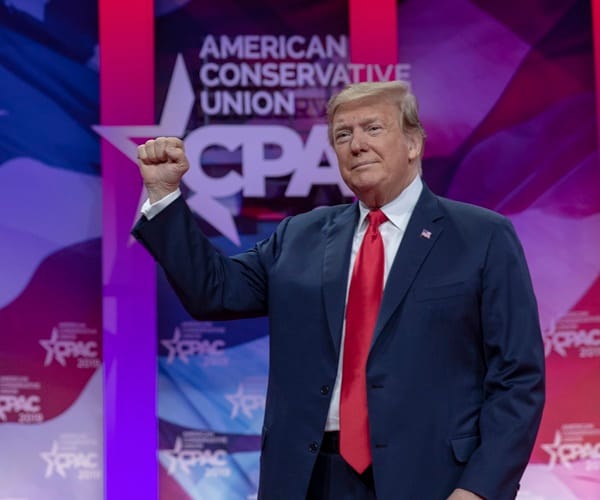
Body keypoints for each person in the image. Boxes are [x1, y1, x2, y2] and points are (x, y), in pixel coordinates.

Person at [133, 81, 545, 500]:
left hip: (431, 481)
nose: (357, 145)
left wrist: (479, 488)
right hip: (309, 479)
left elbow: (518, 377)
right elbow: (213, 290)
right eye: (343, 135)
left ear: (413, 143)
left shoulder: (481, 236)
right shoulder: (299, 236)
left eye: (372, 128)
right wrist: (164, 195)